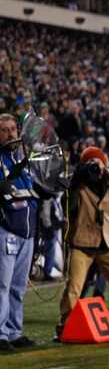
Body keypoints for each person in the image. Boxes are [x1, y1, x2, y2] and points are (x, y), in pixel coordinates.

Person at [57, 147, 109, 340]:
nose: (96, 167)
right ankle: (65, 325)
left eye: (99, 163)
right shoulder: (77, 185)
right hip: (82, 241)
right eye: (91, 163)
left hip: (108, 241)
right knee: (74, 288)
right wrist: (77, 180)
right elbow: (66, 204)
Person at [0, 114, 38, 351]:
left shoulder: (20, 160)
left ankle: (14, 331)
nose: (11, 134)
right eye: (5, 130)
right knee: (2, 285)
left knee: (17, 286)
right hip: (5, 229)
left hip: (26, 232)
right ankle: (1, 333)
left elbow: (32, 193)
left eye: (13, 129)